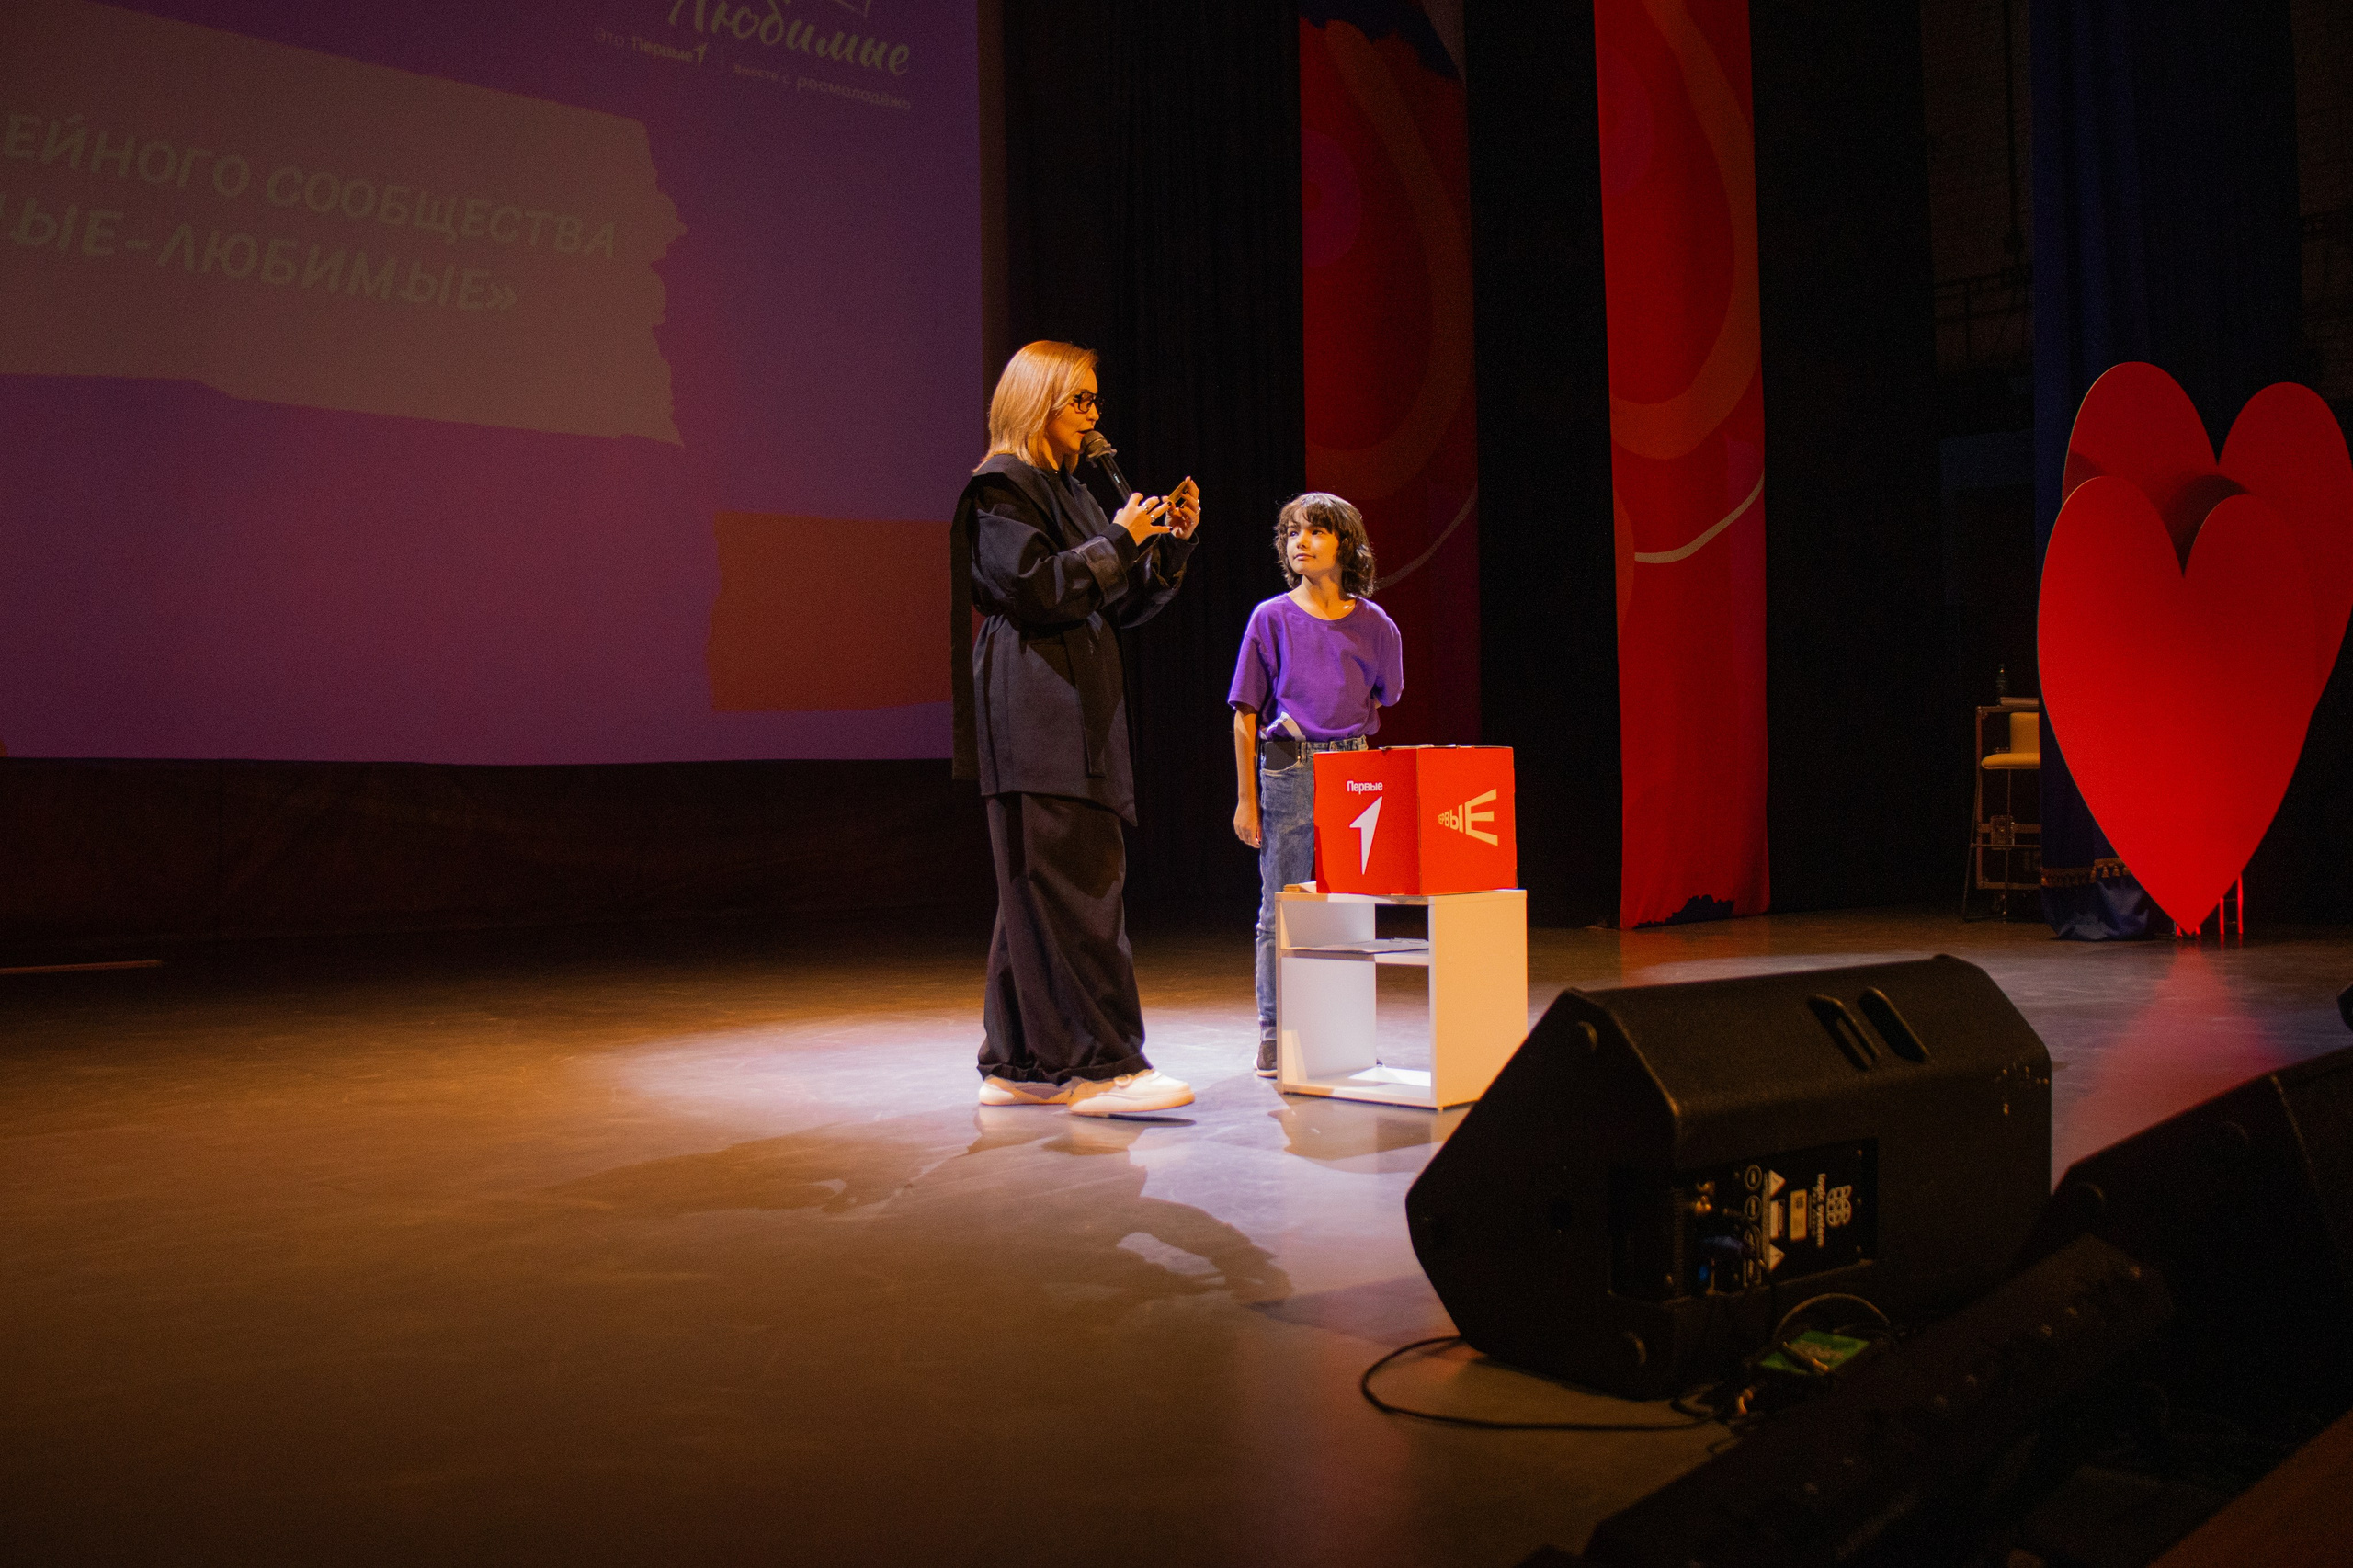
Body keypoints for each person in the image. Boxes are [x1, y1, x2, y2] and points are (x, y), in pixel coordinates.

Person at [949, 340, 1203, 1117]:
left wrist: (1166, 550)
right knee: (1079, 883)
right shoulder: (1003, 487)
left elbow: (1116, 603)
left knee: (1037, 886)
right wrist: (1122, 541)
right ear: (1039, 403)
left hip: (1075, 709)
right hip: (1037, 710)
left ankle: (1020, 1061)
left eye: (1097, 401)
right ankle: (1106, 1068)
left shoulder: (1069, 490)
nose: (1096, 417)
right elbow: (1033, 588)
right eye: (1081, 401)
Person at [1227, 493, 1403, 1078]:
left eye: (1316, 531)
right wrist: (1246, 801)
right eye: (1292, 533)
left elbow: (1386, 693)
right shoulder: (1270, 617)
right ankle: (1276, 1031)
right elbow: (1245, 712)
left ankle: (1345, 1031)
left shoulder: (1375, 625)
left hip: (1353, 766)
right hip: (1287, 762)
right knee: (1281, 904)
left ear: (1344, 544)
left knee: (1350, 905)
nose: (1300, 541)